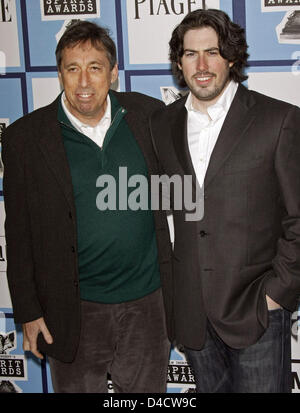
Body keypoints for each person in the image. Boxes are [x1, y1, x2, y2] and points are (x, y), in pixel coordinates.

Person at [2, 21, 172, 393]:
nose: (83, 82)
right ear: (59, 72)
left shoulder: (149, 115)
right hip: (72, 310)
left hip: (147, 304)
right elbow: (17, 234)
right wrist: (29, 313)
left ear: (112, 73)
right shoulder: (25, 139)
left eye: (94, 68)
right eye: (72, 69)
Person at [150, 8, 300, 393]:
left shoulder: (278, 120)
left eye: (212, 52)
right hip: (194, 318)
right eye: (189, 54)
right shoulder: (162, 124)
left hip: (256, 312)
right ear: (178, 62)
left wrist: (276, 294)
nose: (201, 65)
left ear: (231, 57)